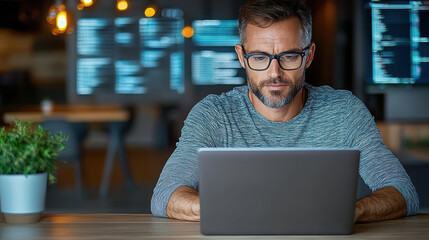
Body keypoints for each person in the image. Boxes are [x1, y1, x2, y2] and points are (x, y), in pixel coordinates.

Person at [151, 0, 419, 222]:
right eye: (259, 57)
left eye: (289, 56)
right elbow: (165, 195)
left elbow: (403, 192)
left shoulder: (345, 111)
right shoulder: (212, 115)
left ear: (309, 55)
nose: (274, 73)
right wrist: (240, 211)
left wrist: (350, 211)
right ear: (242, 57)